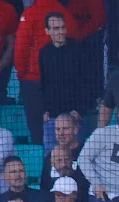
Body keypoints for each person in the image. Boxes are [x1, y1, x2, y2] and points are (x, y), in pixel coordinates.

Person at [38, 13, 90, 154]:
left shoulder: (79, 49)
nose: (60, 31)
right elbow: (42, 84)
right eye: (55, 28)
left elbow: (87, 81)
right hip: (52, 117)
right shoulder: (44, 53)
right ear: (47, 31)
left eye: (62, 27)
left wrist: (80, 109)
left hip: (75, 115)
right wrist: (44, 111)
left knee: (77, 156)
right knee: (51, 156)